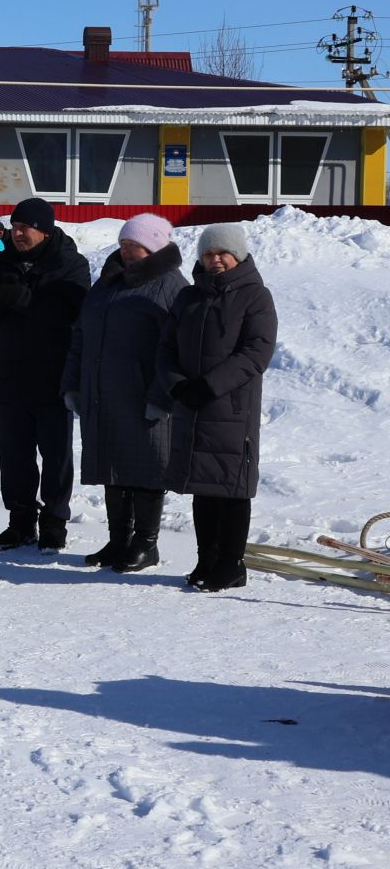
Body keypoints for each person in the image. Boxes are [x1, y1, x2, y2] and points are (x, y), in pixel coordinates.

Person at [155, 223, 277, 592]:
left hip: (230, 408)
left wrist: (210, 386)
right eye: (208, 254)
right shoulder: (188, 298)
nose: (216, 259)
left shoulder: (256, 296)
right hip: (190, 405)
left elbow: (256, 351)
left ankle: (231, 565)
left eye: (222, 252)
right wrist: (177, 384)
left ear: (237, 255)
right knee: (202, 487)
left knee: (231, 488)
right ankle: (206, 558)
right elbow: (166, 347)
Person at [64, 214, 187, 571]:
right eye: (123, 245)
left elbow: (178, 347)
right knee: (112, 465)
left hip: (144, 395)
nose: (126, 252)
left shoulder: (170, 286)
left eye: (133, 246)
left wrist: (163, 395)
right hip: (102, 393)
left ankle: (146, 544)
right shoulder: (107, 283)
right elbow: (81, 335)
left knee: (146, 467)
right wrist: (72, 383)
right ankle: (119, 540)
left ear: (152, 247)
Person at [0, 198, 92, 553]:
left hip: (54, 374)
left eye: (26, 227)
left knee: (56, 455)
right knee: (14, 455)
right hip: (10, 372)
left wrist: (18, 297)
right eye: (14, 227)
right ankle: (20, 521)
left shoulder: (70, 264)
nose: (17, 233)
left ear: (45, 229)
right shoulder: (2, 260)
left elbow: (68, 313)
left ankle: (54, 522)